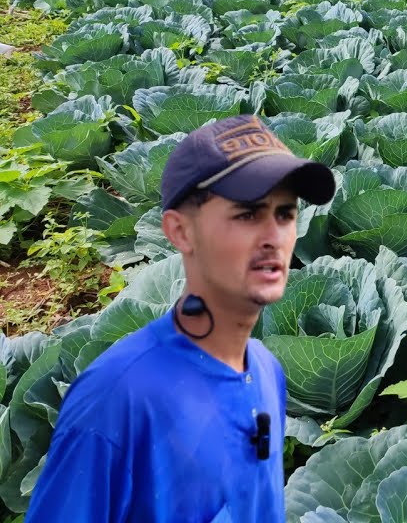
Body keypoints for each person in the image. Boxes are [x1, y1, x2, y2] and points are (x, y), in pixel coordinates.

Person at [26, 114, 336, 522]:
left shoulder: (265, 371)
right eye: (247, 214)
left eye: (285, 214)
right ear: (180, 231)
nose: (274, 237)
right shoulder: (116, 399)